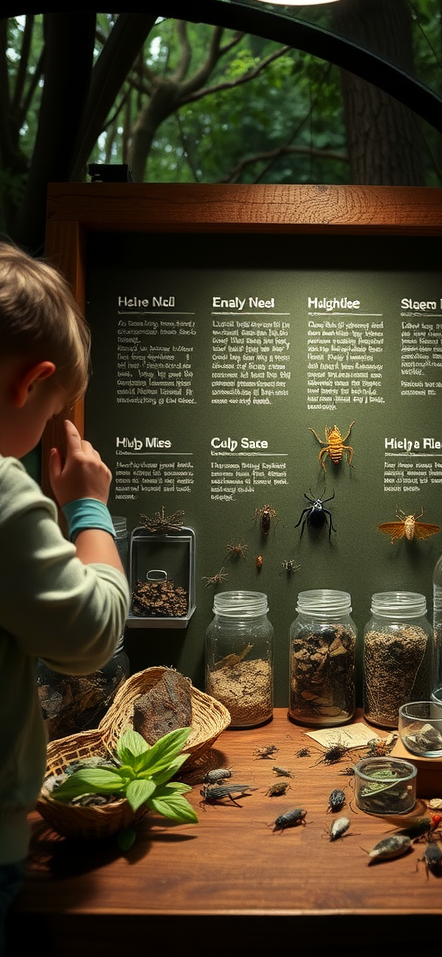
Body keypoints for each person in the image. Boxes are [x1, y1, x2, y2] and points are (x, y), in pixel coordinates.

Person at [0, 242, 129, 954]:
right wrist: (86, 507)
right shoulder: (2, 490)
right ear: (34, 382)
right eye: (54, 408)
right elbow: (92, 632)